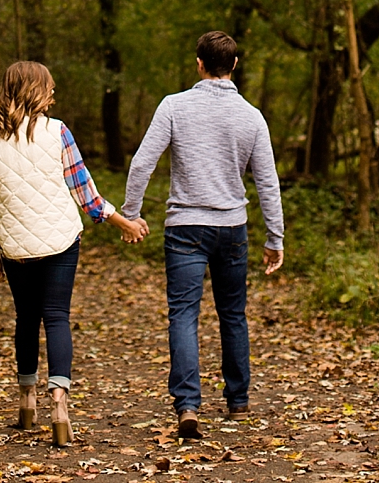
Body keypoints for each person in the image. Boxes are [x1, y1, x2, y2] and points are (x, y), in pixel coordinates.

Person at [121, 31, 284, 440]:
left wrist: (130, 214)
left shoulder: (174, 106)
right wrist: (274, 238)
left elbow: (143, 163)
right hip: (232, 228)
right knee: (232, 314)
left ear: (198, 63)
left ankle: (188, 405)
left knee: (184, 314)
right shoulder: (252, 116)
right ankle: (238, 400)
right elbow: (267, 183)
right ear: (235, 65)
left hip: (185, 228)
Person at [0, 60, 147, 447]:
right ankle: (59, 404)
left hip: (15, 245)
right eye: (49, 87)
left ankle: (25, 402)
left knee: (25, 319)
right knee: (56, 317)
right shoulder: (57, 133)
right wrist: (126, 224)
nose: (54, 93)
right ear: (34, 90)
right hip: (59, 242)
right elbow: (86, 197)